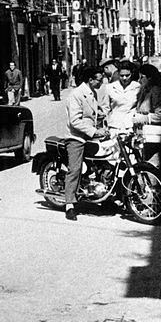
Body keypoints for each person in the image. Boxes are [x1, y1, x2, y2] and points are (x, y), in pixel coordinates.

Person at [62, 65, 109, 221]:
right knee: (75, 169)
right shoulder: (76, 94)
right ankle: (69, 204)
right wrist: (95, 131)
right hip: (76, 137)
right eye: (99, 80)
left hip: (89, 135)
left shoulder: (91, 92)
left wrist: (103, 115)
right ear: (90, 80)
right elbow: (75, 121)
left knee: (106, 158)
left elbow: (92, 113)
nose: (102, 82)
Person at [133, 63, 161, 181]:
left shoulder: (156, 91)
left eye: (142, 77)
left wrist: (143, 118)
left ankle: (158, 194)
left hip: (156, 139)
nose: (139, 80)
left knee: (155, 168)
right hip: (146, 137)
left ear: (149, 77)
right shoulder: (145, 90)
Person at [106, 60, 140, 131]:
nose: (124, 78)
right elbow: (106, 108)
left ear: (132, 74)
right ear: (118, 74)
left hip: (131, 125)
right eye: (122, 75)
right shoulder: (110, 87)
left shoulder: (138, 87)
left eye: (127, 75)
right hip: (114, 125)